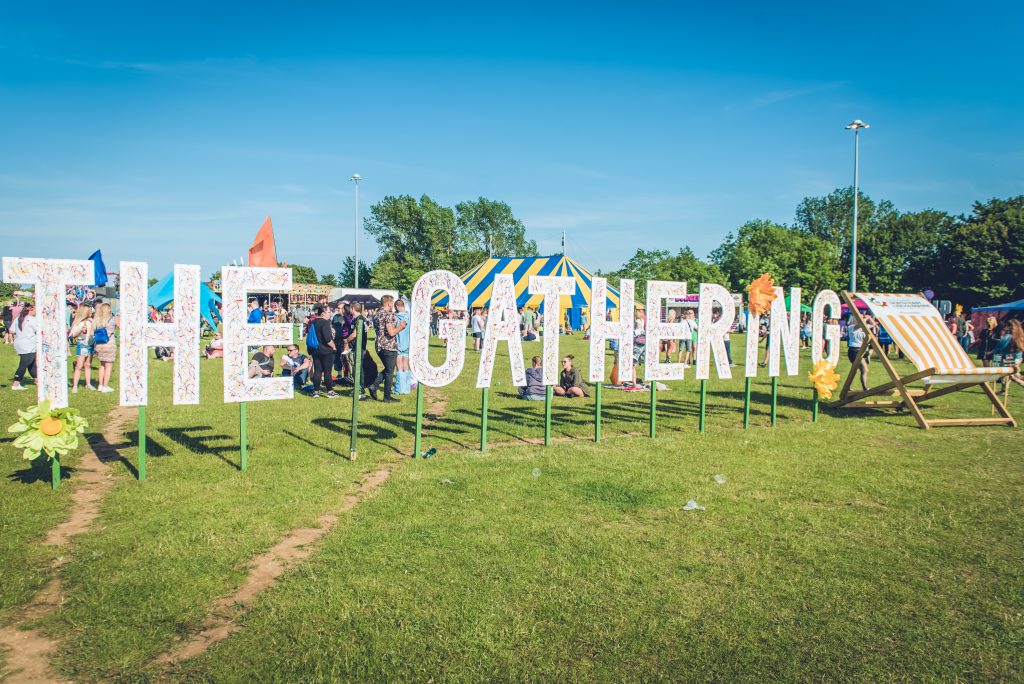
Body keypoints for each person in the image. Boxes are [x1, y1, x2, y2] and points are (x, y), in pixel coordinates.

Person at [367, 295, 405, 403]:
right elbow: (391, 332)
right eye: (392, 303)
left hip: (378, 345)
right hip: (389, 346)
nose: (393, 306)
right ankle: (387, 397)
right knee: (389, 372)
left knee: (387, 369)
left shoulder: (377, 315)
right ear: (388, 303)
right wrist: (401, 327)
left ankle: (374, 386)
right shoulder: (389, 315)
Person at [307, 305, 338, 398]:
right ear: (323, 313)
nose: (330, 314)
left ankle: (316, 391)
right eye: (329, 312)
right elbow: (328, 339)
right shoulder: (325, 323)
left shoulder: (313, 322)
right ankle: (330, 391)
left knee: (318, 370)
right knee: (327, 372)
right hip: (326, 351)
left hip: (315, 349)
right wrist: (334, 347)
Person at [92, 303, 118, 393]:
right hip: (109, 344)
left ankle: (100, 385)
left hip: (99, 345)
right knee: (108, 366)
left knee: (102, 365)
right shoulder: (112, 319)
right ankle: (105, 386)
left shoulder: (98, 320)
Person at [10, 304, 37, 390]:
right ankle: (15, 384)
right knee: (23, 365)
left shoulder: (18, 319)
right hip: (29, 345)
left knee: (31, 365)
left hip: (20, 344)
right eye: (36, 309)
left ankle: (38, 381)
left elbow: (11, 330)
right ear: (31, 310)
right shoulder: (33, 319)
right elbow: (40, 331)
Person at [70, 304, 95, 393]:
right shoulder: (79, 322)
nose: (91, 312)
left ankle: (88, 384)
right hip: (82, 344)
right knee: (79, 366)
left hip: (91, 344)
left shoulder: (91, 321)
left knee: (88, 365)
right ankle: (75, 386)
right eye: (89, 311)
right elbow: (72, 335)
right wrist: (81, 330)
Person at [847, 314, 870, 390]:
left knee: (854, 370)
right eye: (859, 318)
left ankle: (848, 386)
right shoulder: (851, 327)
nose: (861, 319)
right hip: (854, 350)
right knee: (865, 369)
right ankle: (865, 388)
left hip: (861, 350)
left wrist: (870, 317)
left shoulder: (862, 328)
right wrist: (865, 319)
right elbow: (860, 324)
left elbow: (873, 325)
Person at [394, 299, 412, 394]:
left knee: (399, 367)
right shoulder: (409, 317)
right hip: (407, 343)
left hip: (398, 343)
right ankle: (406, 388)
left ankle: (399, 388)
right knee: (406, 366)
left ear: (397, 306)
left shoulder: (396, 317)